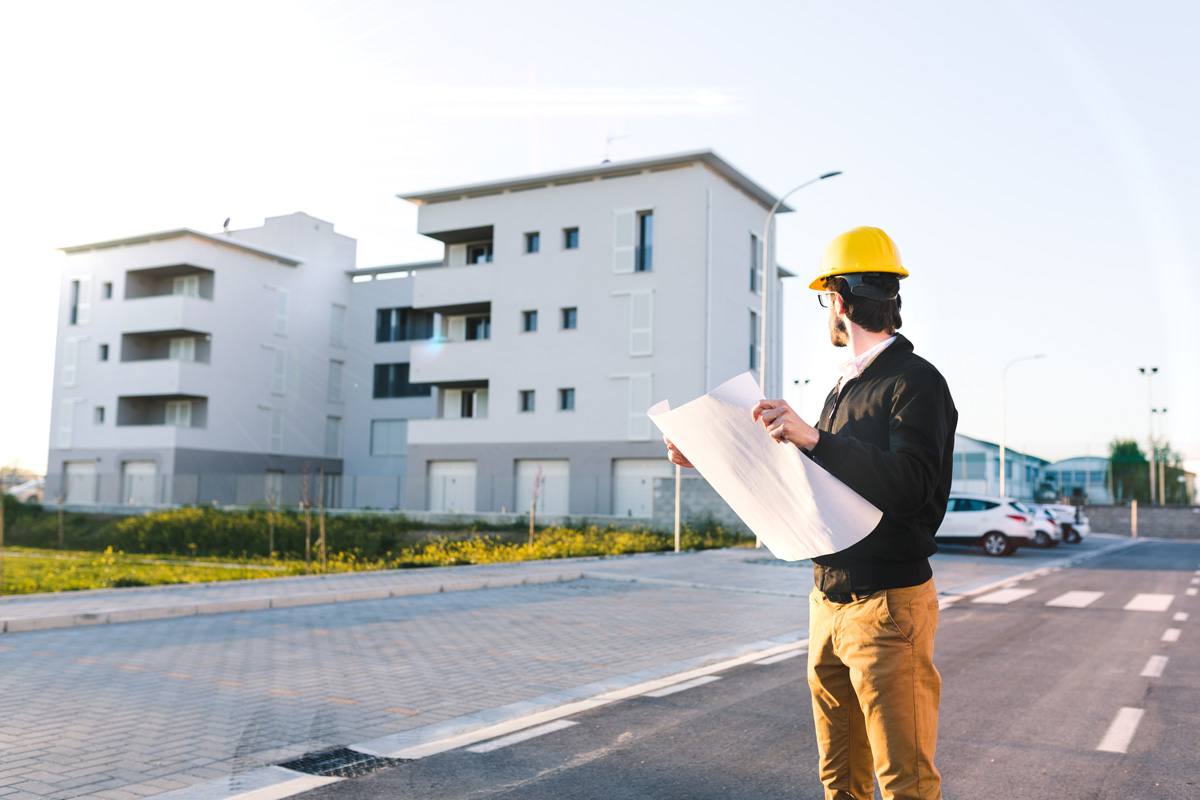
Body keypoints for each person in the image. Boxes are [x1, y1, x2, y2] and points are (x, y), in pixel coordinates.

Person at [664, 226, 957, 800]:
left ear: (840, 302)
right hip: (827, 602)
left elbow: (914, 488)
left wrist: (815, 439)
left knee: (906, 783)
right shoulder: (846, 387)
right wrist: (716, 456)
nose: (827, 310)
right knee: (841, 778)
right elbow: (819, 481)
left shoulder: (916, 382)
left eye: (826, 299)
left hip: (887, 608)